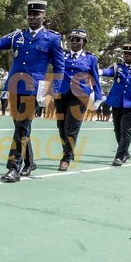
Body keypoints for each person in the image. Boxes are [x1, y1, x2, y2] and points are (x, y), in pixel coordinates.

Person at [0, 0, 64, 182]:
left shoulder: (52, 38)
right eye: (30, 15)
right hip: (15, 86)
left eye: (36, 15)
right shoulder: (18, 35)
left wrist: (51, 92)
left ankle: (13, 168)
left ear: (43, 17)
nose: (32, 17)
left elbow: (59, 67)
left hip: (34, 89)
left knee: (21, 128)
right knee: (21, 127)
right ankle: (30, 162)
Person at [54, 29, 102, 171]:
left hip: (80, 95)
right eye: (72, 39)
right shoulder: (62, 55)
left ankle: (66, 158)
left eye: (78, 40)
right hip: (62, 93)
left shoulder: (91, 58)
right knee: (61, 125)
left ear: (84, 42)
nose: (74, 42)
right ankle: (68, 150)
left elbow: (95, 78)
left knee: (72, 126)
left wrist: (98, 97)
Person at [99, 43, 131, 166]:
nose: (126, 56)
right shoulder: (118, 67)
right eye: (125, 54)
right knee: (117, 130)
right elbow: (109, 71)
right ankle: (125, 152)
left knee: (125, 131)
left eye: (129, 54)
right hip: (117, 103)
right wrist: (100, 71)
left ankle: (119, 156)